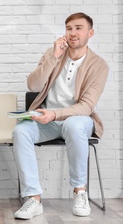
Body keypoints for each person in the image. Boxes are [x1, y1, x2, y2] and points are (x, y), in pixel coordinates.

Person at [12, 12, 109, 220]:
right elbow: (34, 85)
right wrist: (54, 57)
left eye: (78, 28)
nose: (73, 33)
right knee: (21, 131)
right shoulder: (52, 53)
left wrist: (56, 114)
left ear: (90, 33)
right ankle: (34, 198)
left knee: (73, 125)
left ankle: (80, 192)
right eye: (69, 28)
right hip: (47, 119)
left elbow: (86, 106)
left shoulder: (99, 65)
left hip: (79, 121)